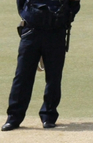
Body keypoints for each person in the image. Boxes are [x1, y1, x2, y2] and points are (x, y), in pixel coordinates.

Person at [3, 0, 80, 131]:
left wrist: (63, 21)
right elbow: (20, 3)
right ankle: (14, 117)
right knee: (22, 76)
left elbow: (74, 4)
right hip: (31, 30)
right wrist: (28, 16)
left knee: (53, 77)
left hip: (56, 31)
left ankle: (48, 116)